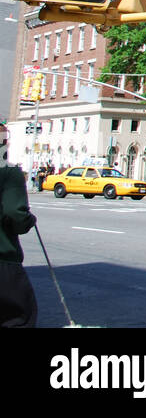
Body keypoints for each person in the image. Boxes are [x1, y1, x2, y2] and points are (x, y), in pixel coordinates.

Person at [0, 126, 38, 328]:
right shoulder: (7, 172)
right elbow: (15, 214)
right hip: (3, 261)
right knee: (17, 318)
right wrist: (28, 219)